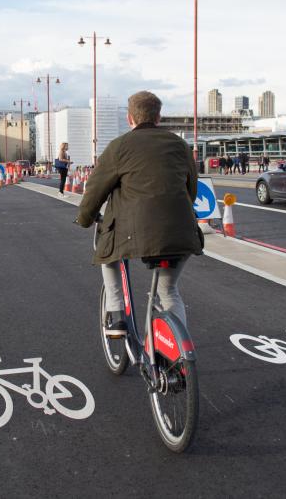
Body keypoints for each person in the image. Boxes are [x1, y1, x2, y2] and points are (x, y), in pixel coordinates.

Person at [76, 91, 203, 336]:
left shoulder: (119, 146)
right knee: (169, 291)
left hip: (133, 233)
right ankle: (177, 353)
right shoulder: (181, 145)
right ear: (159, 117)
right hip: (182, 232)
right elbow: (192, 189)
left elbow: (95, 189)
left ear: (129, 118)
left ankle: (116, 314)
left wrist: (85, 217)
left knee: (107, 253)